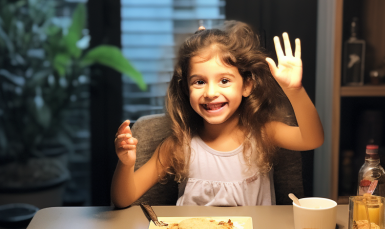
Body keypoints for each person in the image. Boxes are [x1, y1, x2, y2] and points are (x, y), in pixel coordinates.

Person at [111, 21, 324, 208]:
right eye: (199, 82)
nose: (211, 93)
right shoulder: (179, 146)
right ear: (186, 89)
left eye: (224, 80)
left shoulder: (262, 133)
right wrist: (126, 163)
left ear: (246, 85)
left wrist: (295, 91)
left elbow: (313, 139)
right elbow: (123, 199)